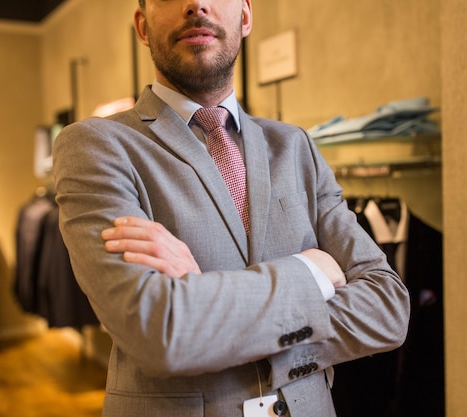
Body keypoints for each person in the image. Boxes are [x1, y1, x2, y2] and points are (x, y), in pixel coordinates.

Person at [52, 0, 410, 416]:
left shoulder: (296, 147)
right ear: (142, 27)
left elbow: (388, 308)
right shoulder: (95, 146)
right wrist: (312, 272)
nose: (196, 4)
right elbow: (159, 330)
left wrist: (203, 301)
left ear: (245, 16)